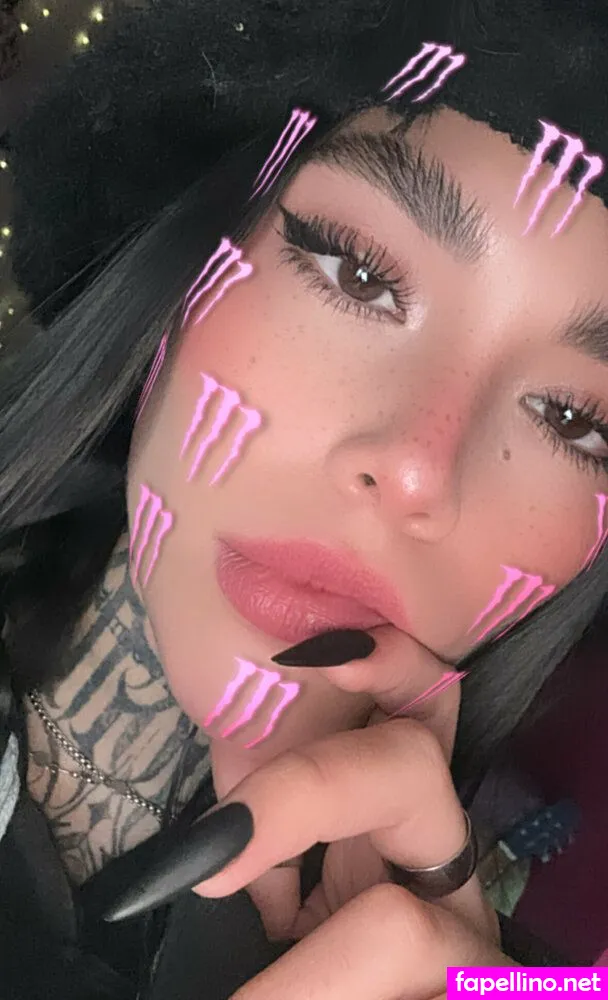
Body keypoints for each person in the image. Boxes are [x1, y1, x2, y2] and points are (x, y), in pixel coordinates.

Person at [1, 0, 608, 995]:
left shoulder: (516, 974)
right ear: (190, 260)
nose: (416, 469)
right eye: (357, 273)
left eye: (575, 419)